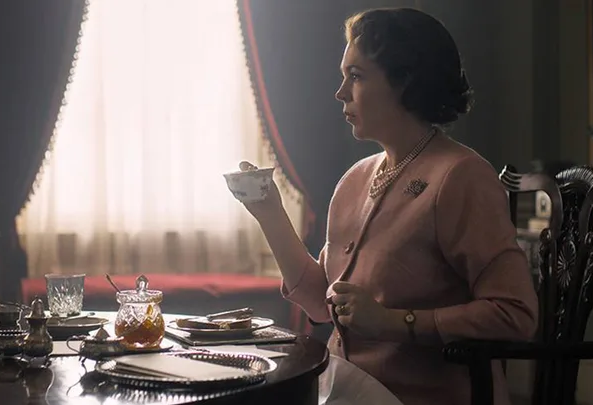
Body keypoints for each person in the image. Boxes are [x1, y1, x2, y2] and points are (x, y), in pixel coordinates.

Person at [230, 8, 538, 405]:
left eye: (356, 76)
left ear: (405, 81)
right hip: (342, 388)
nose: (340, 92)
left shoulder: (462, 177)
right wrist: (269, 210)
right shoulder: (355, 179)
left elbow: (516, 314)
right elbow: (321, 304)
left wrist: (395, 322)